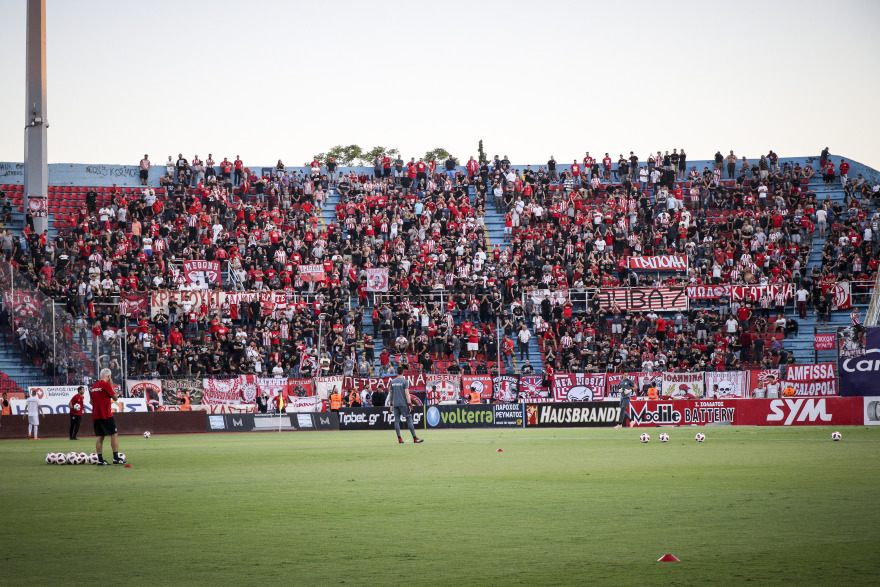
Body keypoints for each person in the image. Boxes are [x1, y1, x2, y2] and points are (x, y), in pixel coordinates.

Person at [90, 368, 125, 465]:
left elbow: (91, 402)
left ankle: (100, 460)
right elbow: (116, 397)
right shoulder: (105, 385)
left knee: (100, 437)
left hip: (96, 415)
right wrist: (111, 385)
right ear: (109, 376)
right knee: (114, 434)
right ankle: (116, 458)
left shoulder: (94, 386)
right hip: (106, 414)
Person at [387, 366, 423, 444]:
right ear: (403, 372)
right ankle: (415, 438)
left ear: (397, 372)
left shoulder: (392, 382)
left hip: (395, 404)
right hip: (403, 403)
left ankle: (399, 438)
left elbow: (391, 394)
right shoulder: (405, 381)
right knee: (409, 419)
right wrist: (410, 404)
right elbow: (407, 394)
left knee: (396, 421)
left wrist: (391, 403)